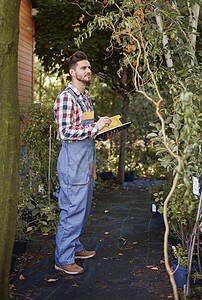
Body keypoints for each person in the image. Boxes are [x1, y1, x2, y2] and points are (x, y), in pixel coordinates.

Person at [53, 51, 113, 275]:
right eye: (83, 68)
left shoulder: (85, 97)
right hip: (72, 162)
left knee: (83, 208)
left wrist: (104, 133)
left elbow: (84, 130)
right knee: (71, 210)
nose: (88, 71)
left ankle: (75, 247)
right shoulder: (66, 98)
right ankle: (63, 259)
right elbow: (66, 132)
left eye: (89, 68)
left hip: (86, 161)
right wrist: (96, 127)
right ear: (72, 72)